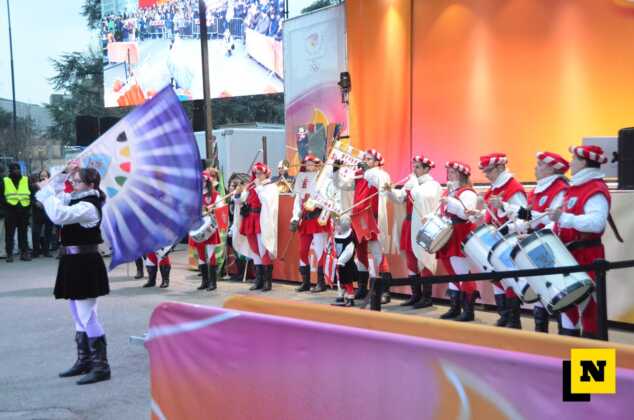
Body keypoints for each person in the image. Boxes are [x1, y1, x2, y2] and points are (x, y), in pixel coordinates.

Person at [35, 162, 111, 385]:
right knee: (78, 315)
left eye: (77, 181)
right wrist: (63, 174)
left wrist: (48, 192)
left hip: (85, 263)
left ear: (90, 184)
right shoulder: (76, 199)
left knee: (88, 315)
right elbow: (51, 196)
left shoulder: (88, 206)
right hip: (73, 261)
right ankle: (84, 361)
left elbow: (57, 214)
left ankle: (101, 366)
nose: (73, 184)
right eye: (73, 180)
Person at [500, 151, 569, 332]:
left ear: (551, 168)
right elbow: (529, 221)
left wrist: (522, 216)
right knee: (540, 292)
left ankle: (566, 340)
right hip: (535, 245)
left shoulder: (561, 189)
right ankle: (541, 336)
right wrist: (510, 228)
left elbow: (554, 221)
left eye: (539, 165)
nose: (535, 168)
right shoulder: (537, 190)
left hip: (552, 246)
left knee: (560, 295)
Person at [548, 145, 612, 339]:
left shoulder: (595, 189)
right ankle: (569, 351)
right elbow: (562, 221)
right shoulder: (575, 188)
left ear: (584, 162)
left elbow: (596, 223)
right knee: (569, 306)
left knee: (590, 309)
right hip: (570, 255)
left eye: (574, 159)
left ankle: (592, 358)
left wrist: (564, 218)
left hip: (587, 255)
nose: (571, 163)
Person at [333, 149, 391, 310]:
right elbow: (342, 184)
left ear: (377, 162)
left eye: (369, 159)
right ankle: (362, 288)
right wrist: (336, 170)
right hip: (358, 217)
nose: (365, 160)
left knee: (378, 253)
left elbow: (378, 182)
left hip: (372, 217)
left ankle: (384, 291)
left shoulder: (381, 174)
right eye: (365, 158)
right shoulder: (359, 174)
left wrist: (367, 170)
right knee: (360, 253)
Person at [475, 153, 527, 328]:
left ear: (500, 168)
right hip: (495, 239)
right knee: (497, 278)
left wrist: (507, 227)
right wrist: (479, 214)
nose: (486, 175)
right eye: (484, 171)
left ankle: (513, 319)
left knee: (510, 280)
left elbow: (524, 217)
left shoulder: (513, 188)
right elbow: (491, 213)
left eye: (489, 171)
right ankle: (504, 314)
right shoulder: (494, 188)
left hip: (509, 240)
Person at [385, 155, 441, 309]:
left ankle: (427, 297)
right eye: (414, 166)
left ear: (426, 169)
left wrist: (414, 184)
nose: (414, 170)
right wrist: (390, 191)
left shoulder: (433, 185)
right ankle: (415, 295)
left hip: (423, 226)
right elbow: (400, 198)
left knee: (424, 259)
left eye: (418, 167)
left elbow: (421, 197)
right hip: (409, 223)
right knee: (410, 259)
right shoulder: (413, 183)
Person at [436, 161, 479, 321]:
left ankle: (468, 310)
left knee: (462, 272)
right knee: (451, 271)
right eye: (449, 172)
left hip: (461, 233)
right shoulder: (448, 191)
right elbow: (443, 212)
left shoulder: (468, 192)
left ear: (462, 175)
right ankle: (455, 307)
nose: (450, 175)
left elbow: (466, 214)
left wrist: (451, 202)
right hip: (448, 233)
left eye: (453, 172)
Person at [233, 162, 279, 292]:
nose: (257, 175)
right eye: (256, 173)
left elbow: (266, 201)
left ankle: (267, 282)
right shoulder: (252, 186)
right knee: (254, 250)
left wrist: (259, 187)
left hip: (261, 221)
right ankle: (258, 280)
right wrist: (238, 193)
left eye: (260, 173)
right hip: (250, 219)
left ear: (266, 174)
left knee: (263, 248)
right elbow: (240, 201)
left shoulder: (270, 187)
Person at [291, 155, 330, 293]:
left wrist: (315, 202)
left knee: (320, 250)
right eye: (307, 163)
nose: (308, 166)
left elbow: (327, 199)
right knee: (303, 250)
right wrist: (294, 218)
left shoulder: (324, 180)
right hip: (305, 220)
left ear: (318, 165)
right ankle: (305, 282)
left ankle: (321, 282)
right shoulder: (302, 179)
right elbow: (297, 201)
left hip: (317, 218)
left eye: (311, 163)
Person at [191, 168, 223, 291]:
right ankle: (204, 281)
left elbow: (221, 210)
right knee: (201, 255)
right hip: (198, 227)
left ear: (208, 182)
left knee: (211, 254)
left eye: (204, 181)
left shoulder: (215, 195)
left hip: (210, 228)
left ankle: (213, 283)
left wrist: (212, 209)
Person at [1, 162, 32, 262]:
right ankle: (9, 254)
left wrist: (29, 207)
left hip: (24, 210)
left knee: (23, 233)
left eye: (18, 169)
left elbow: (30, 193)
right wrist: (5, 207)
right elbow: (1, 196)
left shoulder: (26, 179)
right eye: (14, 169)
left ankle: (24, 253)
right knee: (9, 234)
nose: (16, 171)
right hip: (10, 211)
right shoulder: (5, 180)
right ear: (10, 171)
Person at [332, 216, 356, 307]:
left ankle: (350, 297)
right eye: (336, 225)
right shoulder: (336, 235)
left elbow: (349, 251)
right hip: (338, 262)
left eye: (338, 225)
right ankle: (341, 294)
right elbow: (333, 245)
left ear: (344, 225)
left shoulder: (349, 237)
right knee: (339, 280)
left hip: (346, 263)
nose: (336, 227)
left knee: (347, 281)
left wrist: (341, 260)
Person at [31, 169, 54, 258]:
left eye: (45, 175)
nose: (43, 177)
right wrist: (35, 202)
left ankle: (46, 251)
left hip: (48, 212)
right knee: (36, 233)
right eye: (42, 176)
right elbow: (31, 197)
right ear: (39, 177)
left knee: (48, 233)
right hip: (37, 212)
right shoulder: (35, 186)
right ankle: (36, 251)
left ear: (48, 177)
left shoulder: (52, 186)